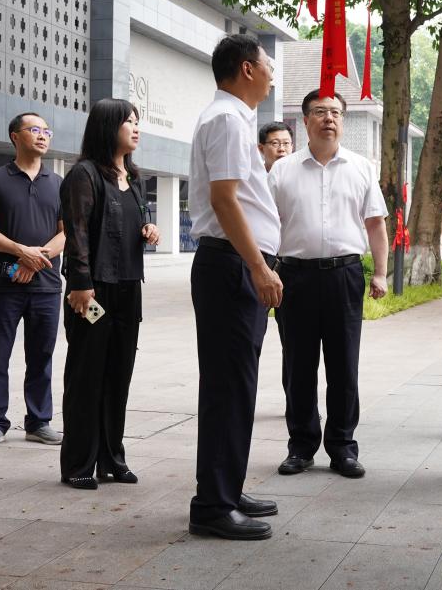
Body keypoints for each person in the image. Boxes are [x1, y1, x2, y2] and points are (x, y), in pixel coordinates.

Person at [187, 34, 284, 541]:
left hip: (233, 264)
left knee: (237, 385)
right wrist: (258, 267)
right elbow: (224, 200)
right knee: (229, 387)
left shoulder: (233, 119)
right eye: (267, 64)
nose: (271, 74)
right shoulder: (226, 119)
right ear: (247, 68)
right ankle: (213, 505)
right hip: (231, 266)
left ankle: (227, 487)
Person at [269, 89, 388, 480]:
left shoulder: (361, 167)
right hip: (294, 277)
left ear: (343, 120)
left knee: (344, 366)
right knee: (297, 366)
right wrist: (265, 272)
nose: (328, 118)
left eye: (335, 112)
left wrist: (381, 273)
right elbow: (266, 226)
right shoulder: (282, 171)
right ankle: (301, 447)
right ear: (305, 121)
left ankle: (342, 447)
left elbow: (375, 224)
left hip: (344, 275)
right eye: (319, 112)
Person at [58, 98, 161, 489]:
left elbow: (130, 223)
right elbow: (77, 232)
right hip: (93, 293)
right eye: (128, 122)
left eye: (137, 121)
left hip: (128, 289)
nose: (136, 128)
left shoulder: (134, 178)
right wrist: (81, 284)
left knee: (119, 376)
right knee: (87, 376)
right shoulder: (83, 175)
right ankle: (79, 463)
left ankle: (112, 459)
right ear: (106, 126)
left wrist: (148, 230)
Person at [0, 113, 66, 451]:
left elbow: (66, 232)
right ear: (15, 136)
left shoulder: (58, 183)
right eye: (34, 130)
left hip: (46, 286)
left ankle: (38, 422)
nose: (42, 135)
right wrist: (20, 252)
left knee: (41, 356)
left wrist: (35, 258)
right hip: (4, 286)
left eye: (46, 131)